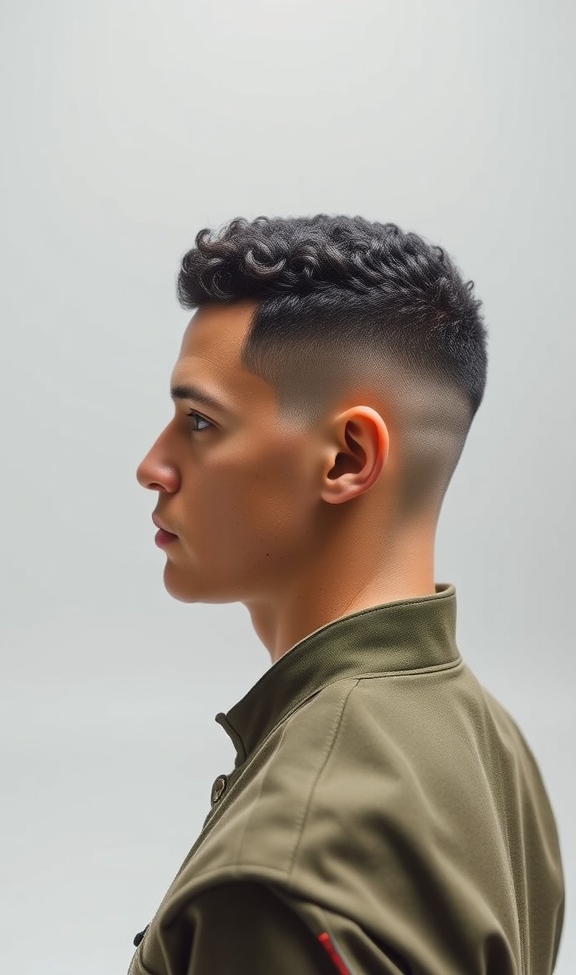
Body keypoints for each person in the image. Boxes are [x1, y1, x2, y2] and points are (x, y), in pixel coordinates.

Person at [131, 215, 564, 974]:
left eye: (200, 421)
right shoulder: (496, 748)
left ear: (345, 458)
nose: (152, 465)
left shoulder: (273, 878)